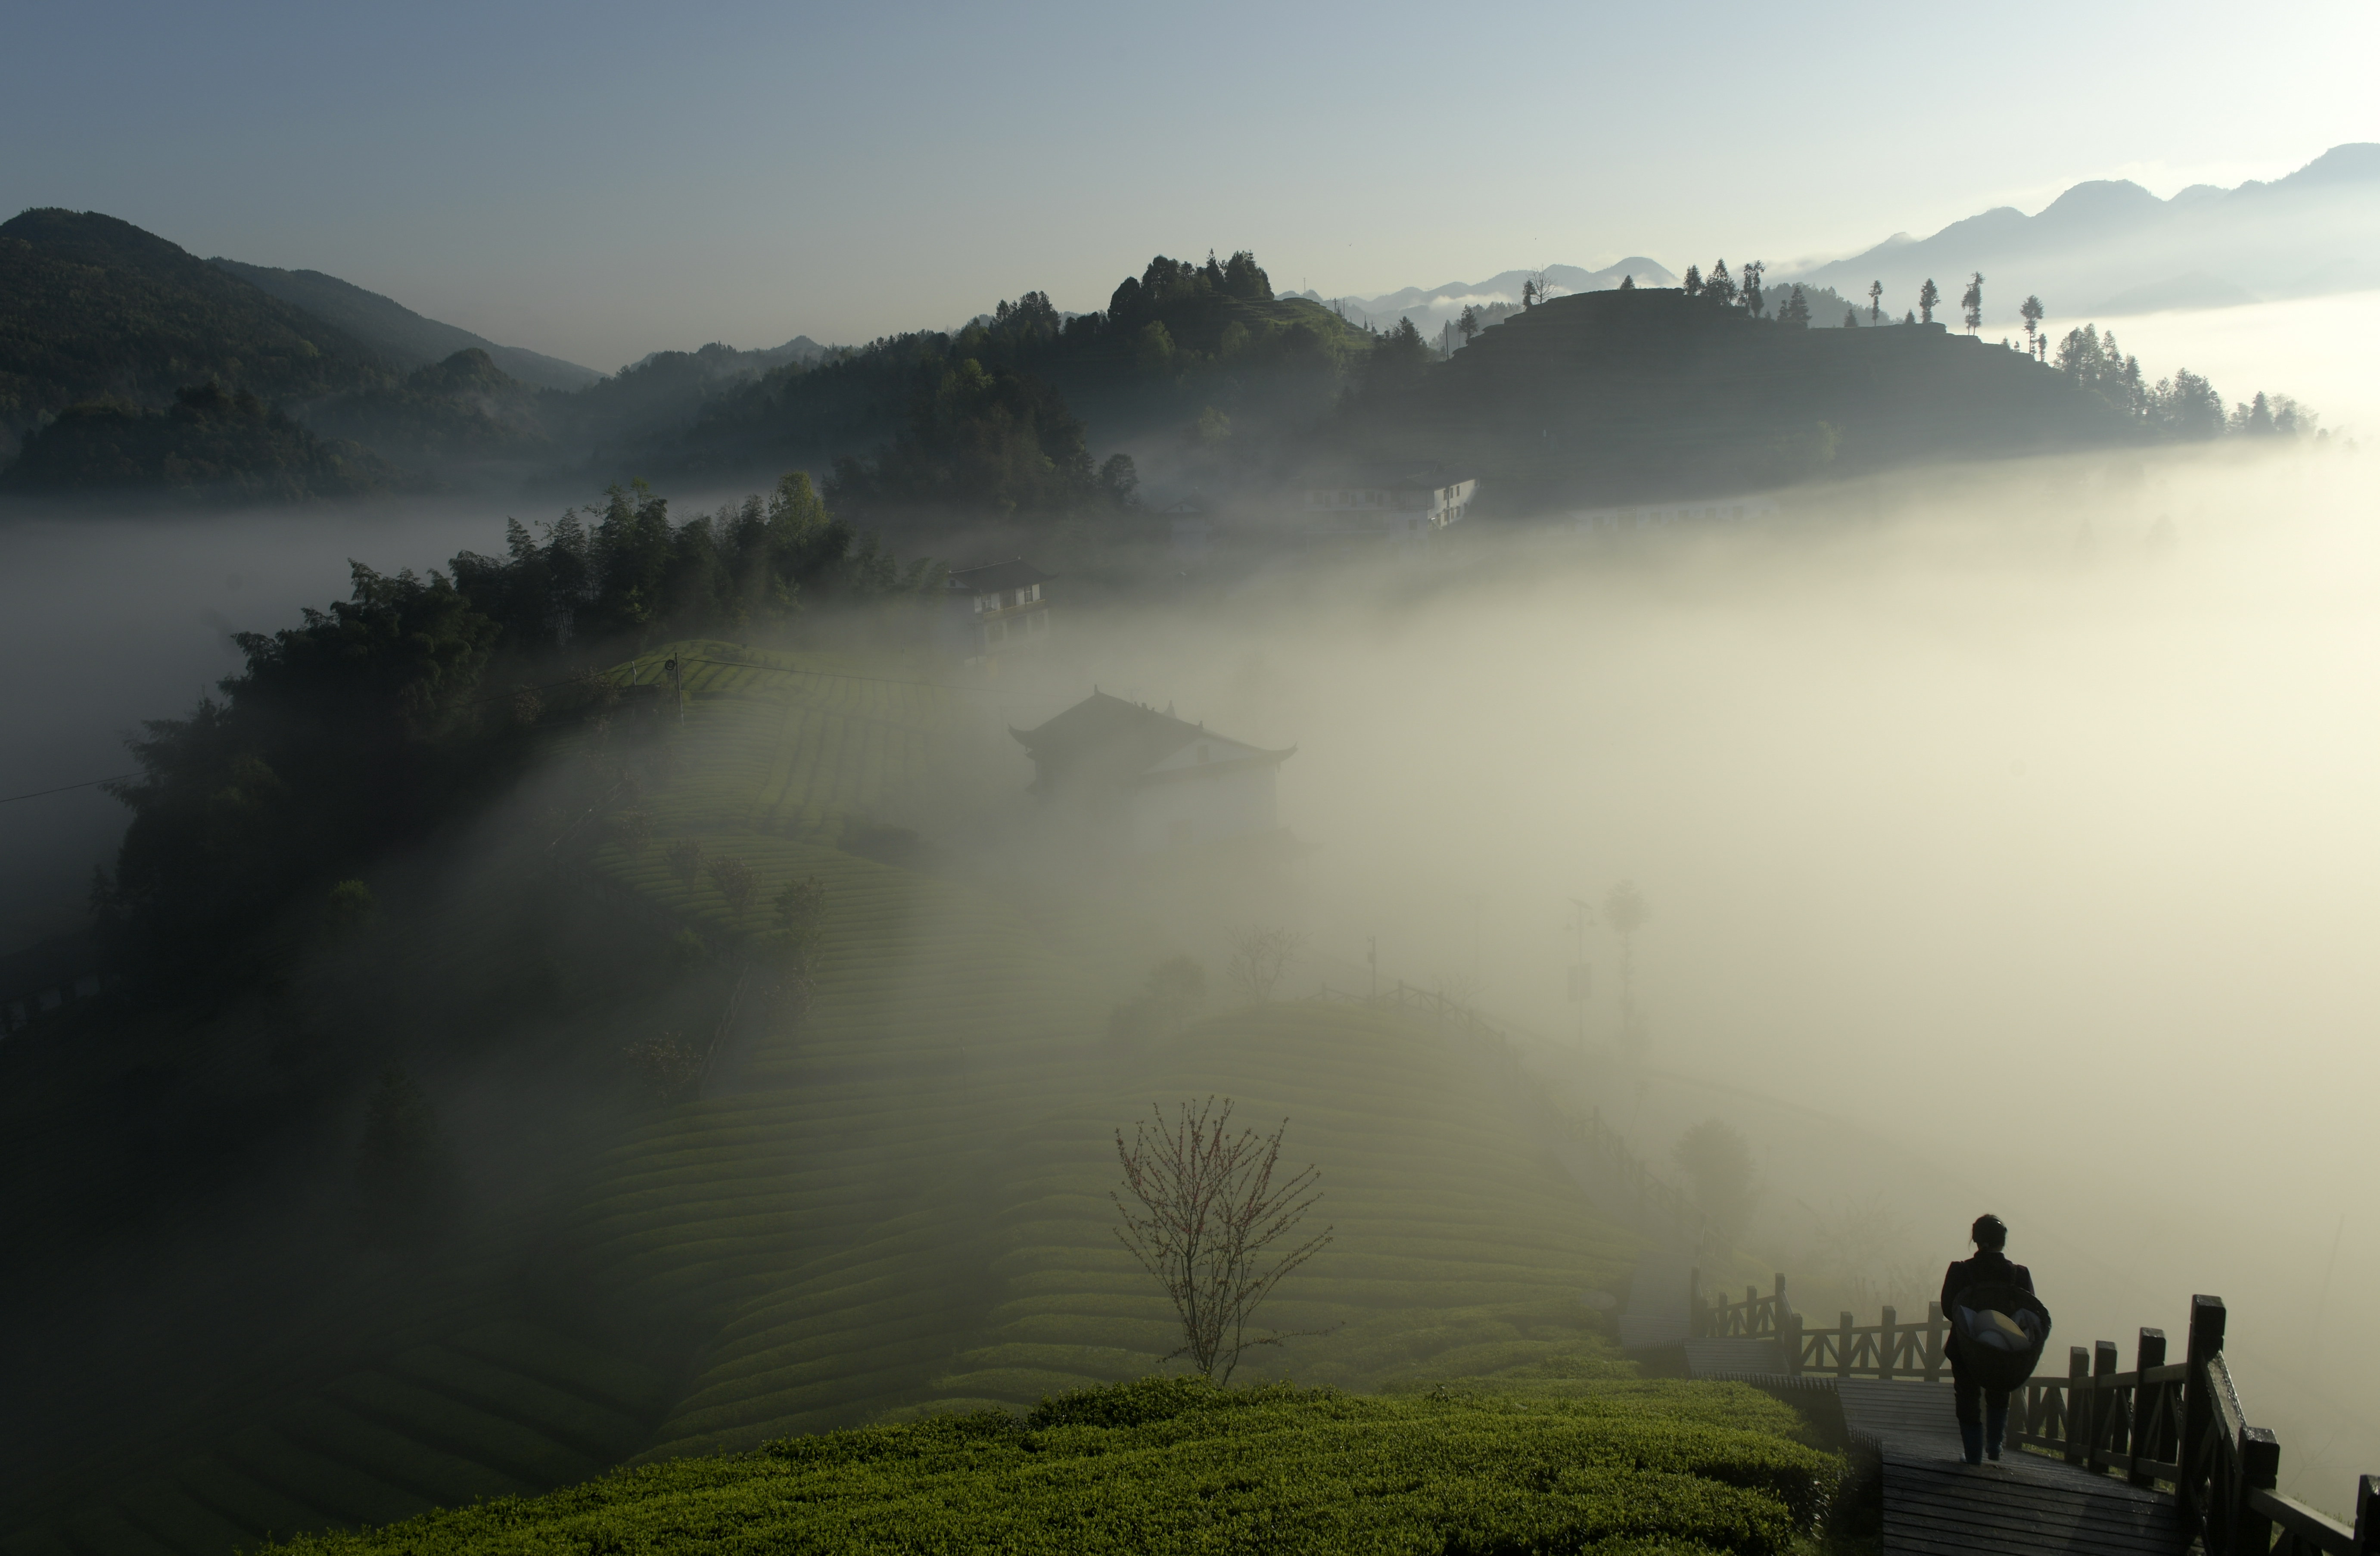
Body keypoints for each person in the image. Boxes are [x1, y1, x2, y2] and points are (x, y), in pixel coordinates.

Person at [1941, 1213, 2035, 1465]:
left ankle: (1973, 1454)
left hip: (1966, 1346)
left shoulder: (1960, 1271)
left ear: (1976, 1240)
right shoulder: (2019, 1274)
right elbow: (2030, 1313)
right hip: (2005, 1347)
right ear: (2003, 1241)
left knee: (1968, 1396)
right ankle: (1995, 1448)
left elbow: (1949, 1309)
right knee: (2000, 1391)